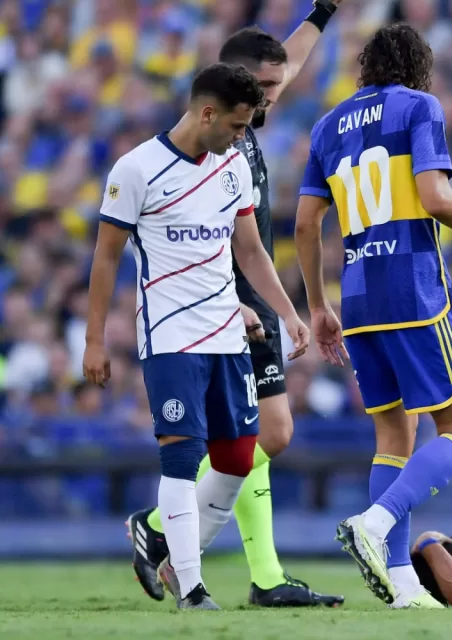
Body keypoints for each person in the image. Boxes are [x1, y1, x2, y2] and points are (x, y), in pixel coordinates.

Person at [294, 24, 452, 609]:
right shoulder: (420, 106)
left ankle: (399, 586)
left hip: (359, 299)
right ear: (420, 66)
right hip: (414, 293)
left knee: (394, 436)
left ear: (367, 67)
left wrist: (319, 307)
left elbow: (303, 224)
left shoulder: (326, 127)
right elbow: (436, 197)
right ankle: (376, 520)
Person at [127, 3, 347, 608]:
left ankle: (162, 532)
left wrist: (323, 11)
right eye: (267, 87)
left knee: (266, 436)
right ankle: (258, 573)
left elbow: (292, 58)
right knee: (252, 435)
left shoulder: (248, 113)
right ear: (237, 82)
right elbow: (196, 230)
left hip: (252, 286)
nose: (278, 96)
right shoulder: (213, 133)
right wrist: (232, 302)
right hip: (221, 298)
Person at [83, 63, 310, 610]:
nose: (241, 136)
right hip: (170, 336)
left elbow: (250, 251)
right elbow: (106, 255)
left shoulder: (231, 167)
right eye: (236, 125)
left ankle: (168, 550)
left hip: (228, 334)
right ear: (206, 112)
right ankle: (192, 587)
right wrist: (94, 339)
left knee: (236, 459)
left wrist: (286, 313)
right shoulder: (136, 169)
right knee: (182, 458)